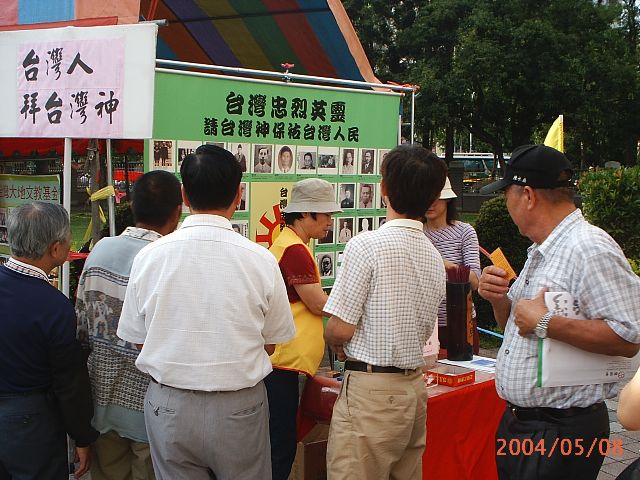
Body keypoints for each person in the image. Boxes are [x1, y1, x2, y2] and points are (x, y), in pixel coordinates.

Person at [117, 144, 295, 479]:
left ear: (184, 195)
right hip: (239, 407)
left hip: (170, 405)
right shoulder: (261, 260)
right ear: (239, 195)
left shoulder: (150, 257)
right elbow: (271, 343)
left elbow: (139, 340)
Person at [477, 144, 640, 480]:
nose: (505, 204)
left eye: (506, 194)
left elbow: (629, 337)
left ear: (527, 196)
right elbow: (517, 327)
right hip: (528, 424)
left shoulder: (588, 247)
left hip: (559, 429)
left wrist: (546, 323)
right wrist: (499, 300)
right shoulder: (544, 249)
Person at [324, 145, 447, 479]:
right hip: (413, 389)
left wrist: (335, 339)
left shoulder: (366, 245)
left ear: (383, 188)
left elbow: (340, 328)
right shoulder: (434, 255)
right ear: (433, 199)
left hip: (371, 391)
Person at [75, 171, 182, 480]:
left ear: (133, 205)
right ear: (177, 211)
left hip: (103, 400)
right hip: (153, 409)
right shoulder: (170, 259)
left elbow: (81, 329)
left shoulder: (100, 250)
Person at [0, 202, 99, 479]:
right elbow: (68, 382)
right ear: (55, 248)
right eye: (68, 240)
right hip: (29, 420)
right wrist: (82, 436)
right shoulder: (53, 306)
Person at [267, 178, 342, 480]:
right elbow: (317, 303)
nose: (330, 221)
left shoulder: (288, 244)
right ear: (307, 213)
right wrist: (353, 308)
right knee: (281, 445)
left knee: (279, 441)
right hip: (287, 364)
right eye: (326, 214)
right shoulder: (294, 250)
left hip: (285, 362)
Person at [423, 177, 481, 352]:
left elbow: (475, 281)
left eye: (436, 198)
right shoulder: (415, 232)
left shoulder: (464, 232)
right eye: (424, 198)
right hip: (424, 324)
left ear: (447, 199)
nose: (430, 204)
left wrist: (443, 264)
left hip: (460, 321)